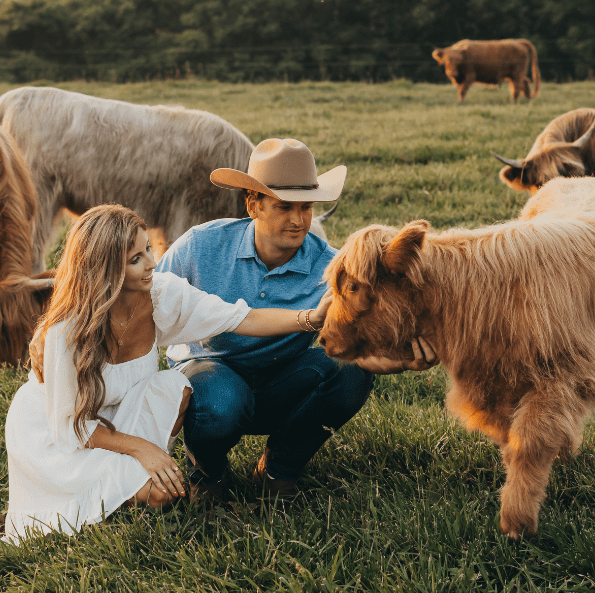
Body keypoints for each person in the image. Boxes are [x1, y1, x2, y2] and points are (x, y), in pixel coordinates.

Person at [3, 203, 337, 542]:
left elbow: (243, 318)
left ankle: (123, 486)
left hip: (120, 413)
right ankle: (106, 494)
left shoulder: (161, 294)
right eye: (135, 259)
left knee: (175, 387)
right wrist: (142, 449)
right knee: (158, 493)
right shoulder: (66, 332)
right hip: (60, 436)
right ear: (103, 272)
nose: (151, 262)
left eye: (148, 248)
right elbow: (68, 427)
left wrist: (311, 317)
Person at [155, 138, 436, 503]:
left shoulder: (331, 267)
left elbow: (360, 349)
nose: (299, 220)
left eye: (306, 207)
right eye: (284, 206)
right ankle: (207, 473)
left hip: (283, 379)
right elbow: (147, 306)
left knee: (348, 369)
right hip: (209, 376)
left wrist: (402, 362)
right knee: (221, 399)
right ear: (253, 205)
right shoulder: (199, 246)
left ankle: (278, 469)